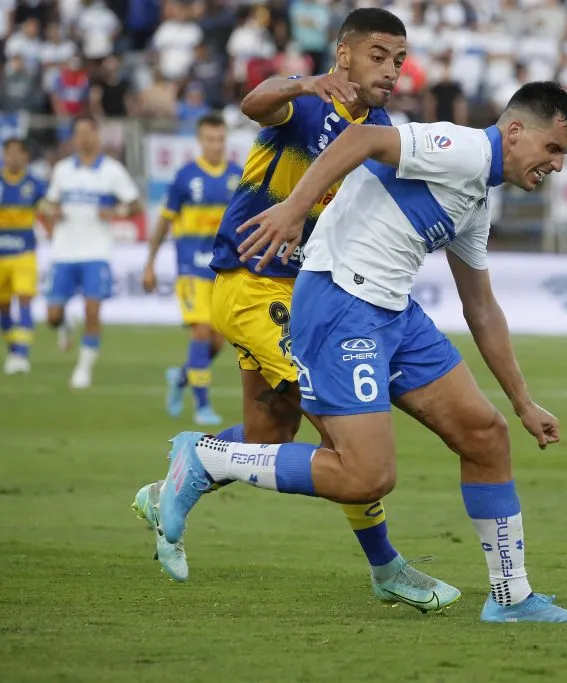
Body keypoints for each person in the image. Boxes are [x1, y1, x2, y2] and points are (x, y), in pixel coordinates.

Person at [155, 81, 567, 624]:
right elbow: (362, 137)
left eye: (564, 156)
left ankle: (511, 597)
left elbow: (481, 309)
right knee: (366, 476)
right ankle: (206, 457)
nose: (555, 165)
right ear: (513, 131)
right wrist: (294, 208)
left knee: (486, 435)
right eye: (552, 150)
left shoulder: (477, 196)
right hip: (341, 301)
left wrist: (524, 403)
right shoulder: (461, 148)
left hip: (393, 310)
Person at [131, 9, 459, 613]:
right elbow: (256, 102)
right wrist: (306, 82)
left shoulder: (381, 130)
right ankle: (386, 566)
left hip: (303, 293)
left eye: (399, 60)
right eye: (379, 55)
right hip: (253, 284)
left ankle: (173, 480)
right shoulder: (308, 103)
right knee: (342, 432)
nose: (391, 70)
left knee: (267, 436)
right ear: (343, 54)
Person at [141, 113, 242, 426]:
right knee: (200, 332)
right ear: (200, 141)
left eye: (220, 139)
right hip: (190, 268)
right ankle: (202, 406)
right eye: (210, 140)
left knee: (216, 341)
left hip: (222, 269)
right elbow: (164, 221)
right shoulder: (185, 177)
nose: (215, 145)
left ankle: (182, 377)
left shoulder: (239, 176)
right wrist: (150, 263)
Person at [38, 116, 142, 389]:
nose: (83, 138)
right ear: (73, 138)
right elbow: (47, 203)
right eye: (78, 133)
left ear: (97, 136)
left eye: (88, 132)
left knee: (92, 310)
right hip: (64, 251)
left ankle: (83, 368)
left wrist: (115, 212)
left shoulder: (111, 170)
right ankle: (65, 327)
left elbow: (135, 204)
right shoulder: (62, 170)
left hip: (96, 251)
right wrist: (52, 211)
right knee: (52, 316)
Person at [0, 138, 48, 375]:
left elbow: (47, 210)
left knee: (25, 300)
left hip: (24, 253)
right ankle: (13, 351)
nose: (13, 158)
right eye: (9, 153)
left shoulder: (35, 184)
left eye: (18, 153)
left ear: (26, 157)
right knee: (4, 308)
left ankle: (22, 354)